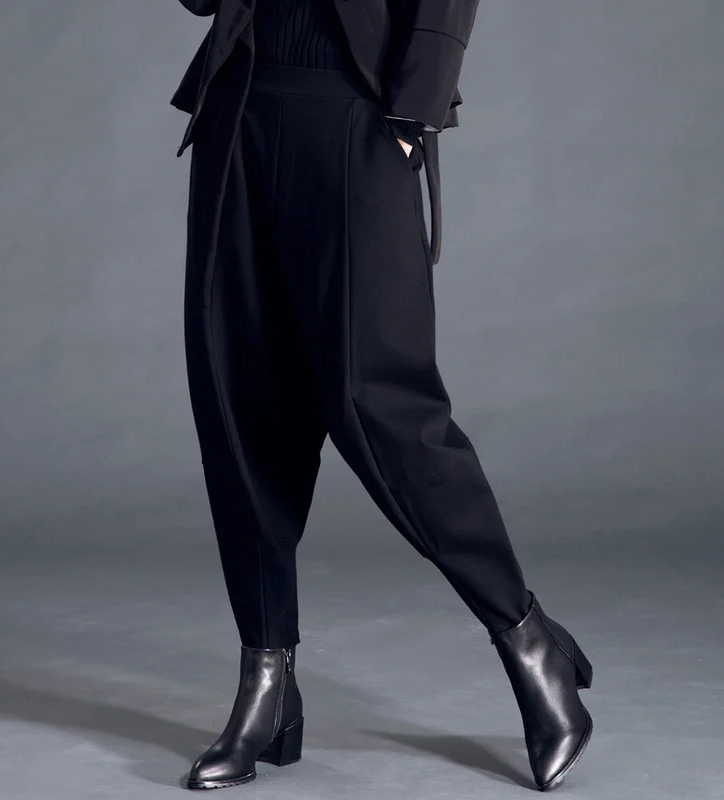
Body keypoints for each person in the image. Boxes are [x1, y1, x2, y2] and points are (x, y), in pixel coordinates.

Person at [172, 0, 594, 792]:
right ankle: (268, 680)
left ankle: (527, 635)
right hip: (240, 106)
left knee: (384, 408)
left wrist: (411, 115)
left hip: (356, 110)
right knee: (241, 403)